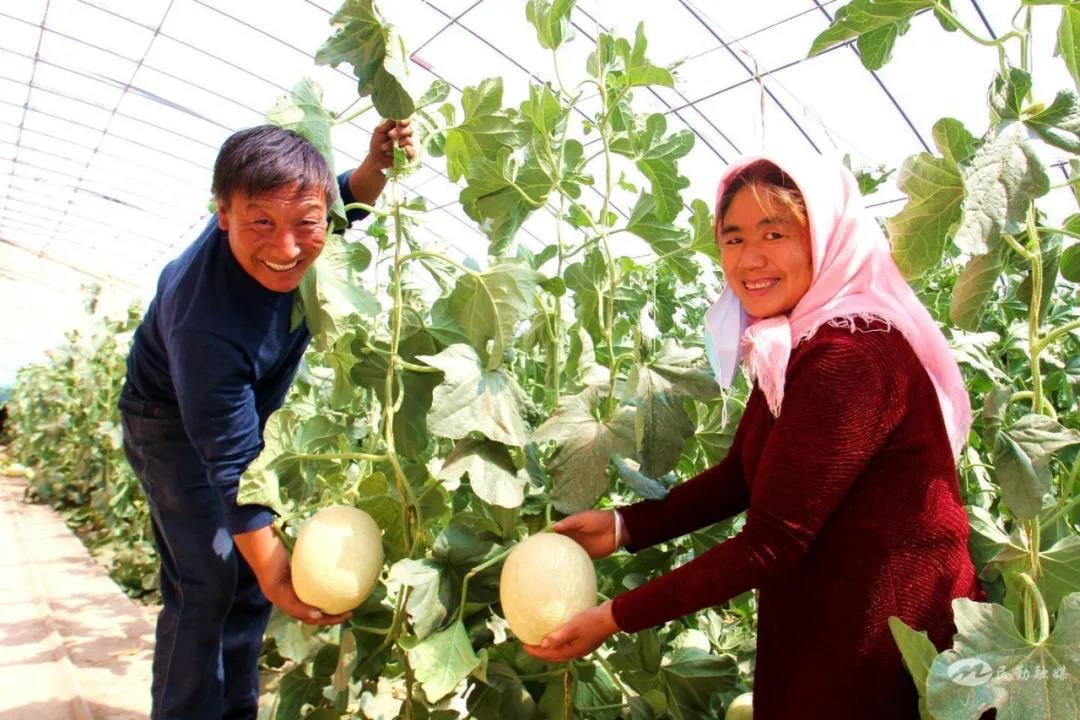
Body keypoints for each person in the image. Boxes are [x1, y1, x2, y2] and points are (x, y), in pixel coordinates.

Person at [525, 155, 984, 719]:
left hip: (886, 643)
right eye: (734, 238)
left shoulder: (852, 356)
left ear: (826, 238)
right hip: (833, 623)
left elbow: (771, 543)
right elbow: (741, 476)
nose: (750, 259)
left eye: (776, 233)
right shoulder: (801, 343)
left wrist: (612, 617)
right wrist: (624, 527)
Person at [119, 119, 413, 720]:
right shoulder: (205, 322)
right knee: (207, 579)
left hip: (241, 414)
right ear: (222, 213)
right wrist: (284, 583)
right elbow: (229, 466)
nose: (286, 250)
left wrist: (376, 166)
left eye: (305, 224)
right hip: (168, 422)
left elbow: (338, 202)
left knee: (249, 576)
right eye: (261, 224)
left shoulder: (295, 211)